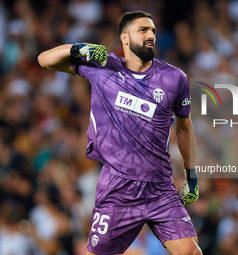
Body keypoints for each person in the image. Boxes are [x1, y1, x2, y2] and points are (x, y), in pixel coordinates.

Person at [38, 11, 201, 255]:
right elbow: (44, 60)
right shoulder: (102, 68)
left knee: (190, 252)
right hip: (118, 189)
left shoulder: (174, 78)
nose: (151, 35)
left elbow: (184, 126)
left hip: (160, 187)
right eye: (143, 30)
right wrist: (78, 49)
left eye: (153, 31)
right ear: (125, 38)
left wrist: (192, 174)